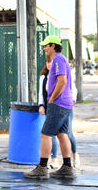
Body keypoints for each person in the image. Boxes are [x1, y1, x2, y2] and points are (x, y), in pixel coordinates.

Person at [24, 35, 76, 179]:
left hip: (58, 104)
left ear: (53, 45)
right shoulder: (63, 59)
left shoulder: (58, 59)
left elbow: (62, 81)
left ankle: (42, 167)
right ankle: (67, 167)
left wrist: (52, 99)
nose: (44, 48)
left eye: (46, 45)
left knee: (45, 134)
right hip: (66, 104)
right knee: (62, 134)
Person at [38, 57, 80, 169]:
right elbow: (41, 94)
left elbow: (72, 90)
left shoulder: (62, 74)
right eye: (47, 62)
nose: (49, 64)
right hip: (52, 109)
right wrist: (41, 105)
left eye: (51, 62)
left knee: (59, 134)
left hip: (63, 107)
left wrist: (70, 103)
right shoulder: (44, 77)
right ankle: (57, 161)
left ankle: (74, 157)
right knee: (57, 134)